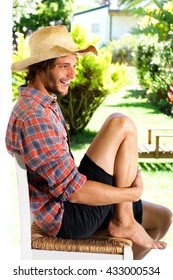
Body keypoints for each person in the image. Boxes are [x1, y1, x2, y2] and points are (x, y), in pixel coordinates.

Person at [6, 25, 172, 260]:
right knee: (120, 123)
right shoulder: (34, 116)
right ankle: (123, 221)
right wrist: (131, 194)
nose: (72, 75)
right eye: (64, 66)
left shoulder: (43, 104)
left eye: (74, 66)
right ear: (40, 68)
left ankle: (121, 239)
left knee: (163, 217)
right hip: (67, 216)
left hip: (72, 205)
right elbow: (74, 193)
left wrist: (123, 189)